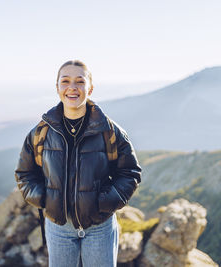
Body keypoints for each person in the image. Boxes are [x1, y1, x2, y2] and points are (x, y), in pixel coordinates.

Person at [14, 60, 142, 267]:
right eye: (65, 81)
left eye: (79, 82)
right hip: (58, 228)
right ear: (57, 88)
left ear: (89, 88)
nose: (72, 87)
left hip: (100, 227)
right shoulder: (40, 133)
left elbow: (130, 172)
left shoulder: (110, 131)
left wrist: (105, 203)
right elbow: (25, 174)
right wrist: (46, 199)